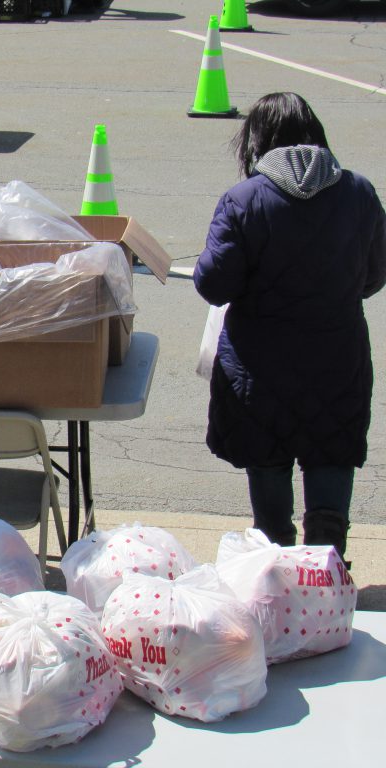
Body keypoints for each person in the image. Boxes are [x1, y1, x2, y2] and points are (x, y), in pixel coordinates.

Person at [194, 92, 385, 563]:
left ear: (257, 142)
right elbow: (375, 275)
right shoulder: (358, 193)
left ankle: (277, 579)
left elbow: (214, 284)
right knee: (331, 461)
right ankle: (327, 574)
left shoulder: (244, 200)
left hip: (260, 374)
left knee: (270, 500)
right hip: (338, 365)